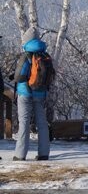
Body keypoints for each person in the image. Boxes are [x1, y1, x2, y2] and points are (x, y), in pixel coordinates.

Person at [13, 26, 53, 161]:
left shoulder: (26, 55)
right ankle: (44, 153)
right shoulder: (45, 55)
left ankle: (20, 155)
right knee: (42, 123)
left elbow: (19, 77)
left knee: (24, 123)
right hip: (40, 94)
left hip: (25, 93)